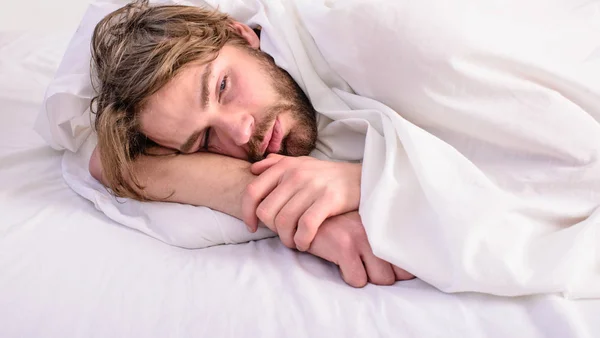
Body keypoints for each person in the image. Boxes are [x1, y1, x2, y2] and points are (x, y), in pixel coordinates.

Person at [88, 0, 415, 287]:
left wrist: (362, 180)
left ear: (243, 34)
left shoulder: (373, 30)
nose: (241, 133)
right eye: (205, 138)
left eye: (222, 87)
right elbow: (106, 163)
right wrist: (282, 202)